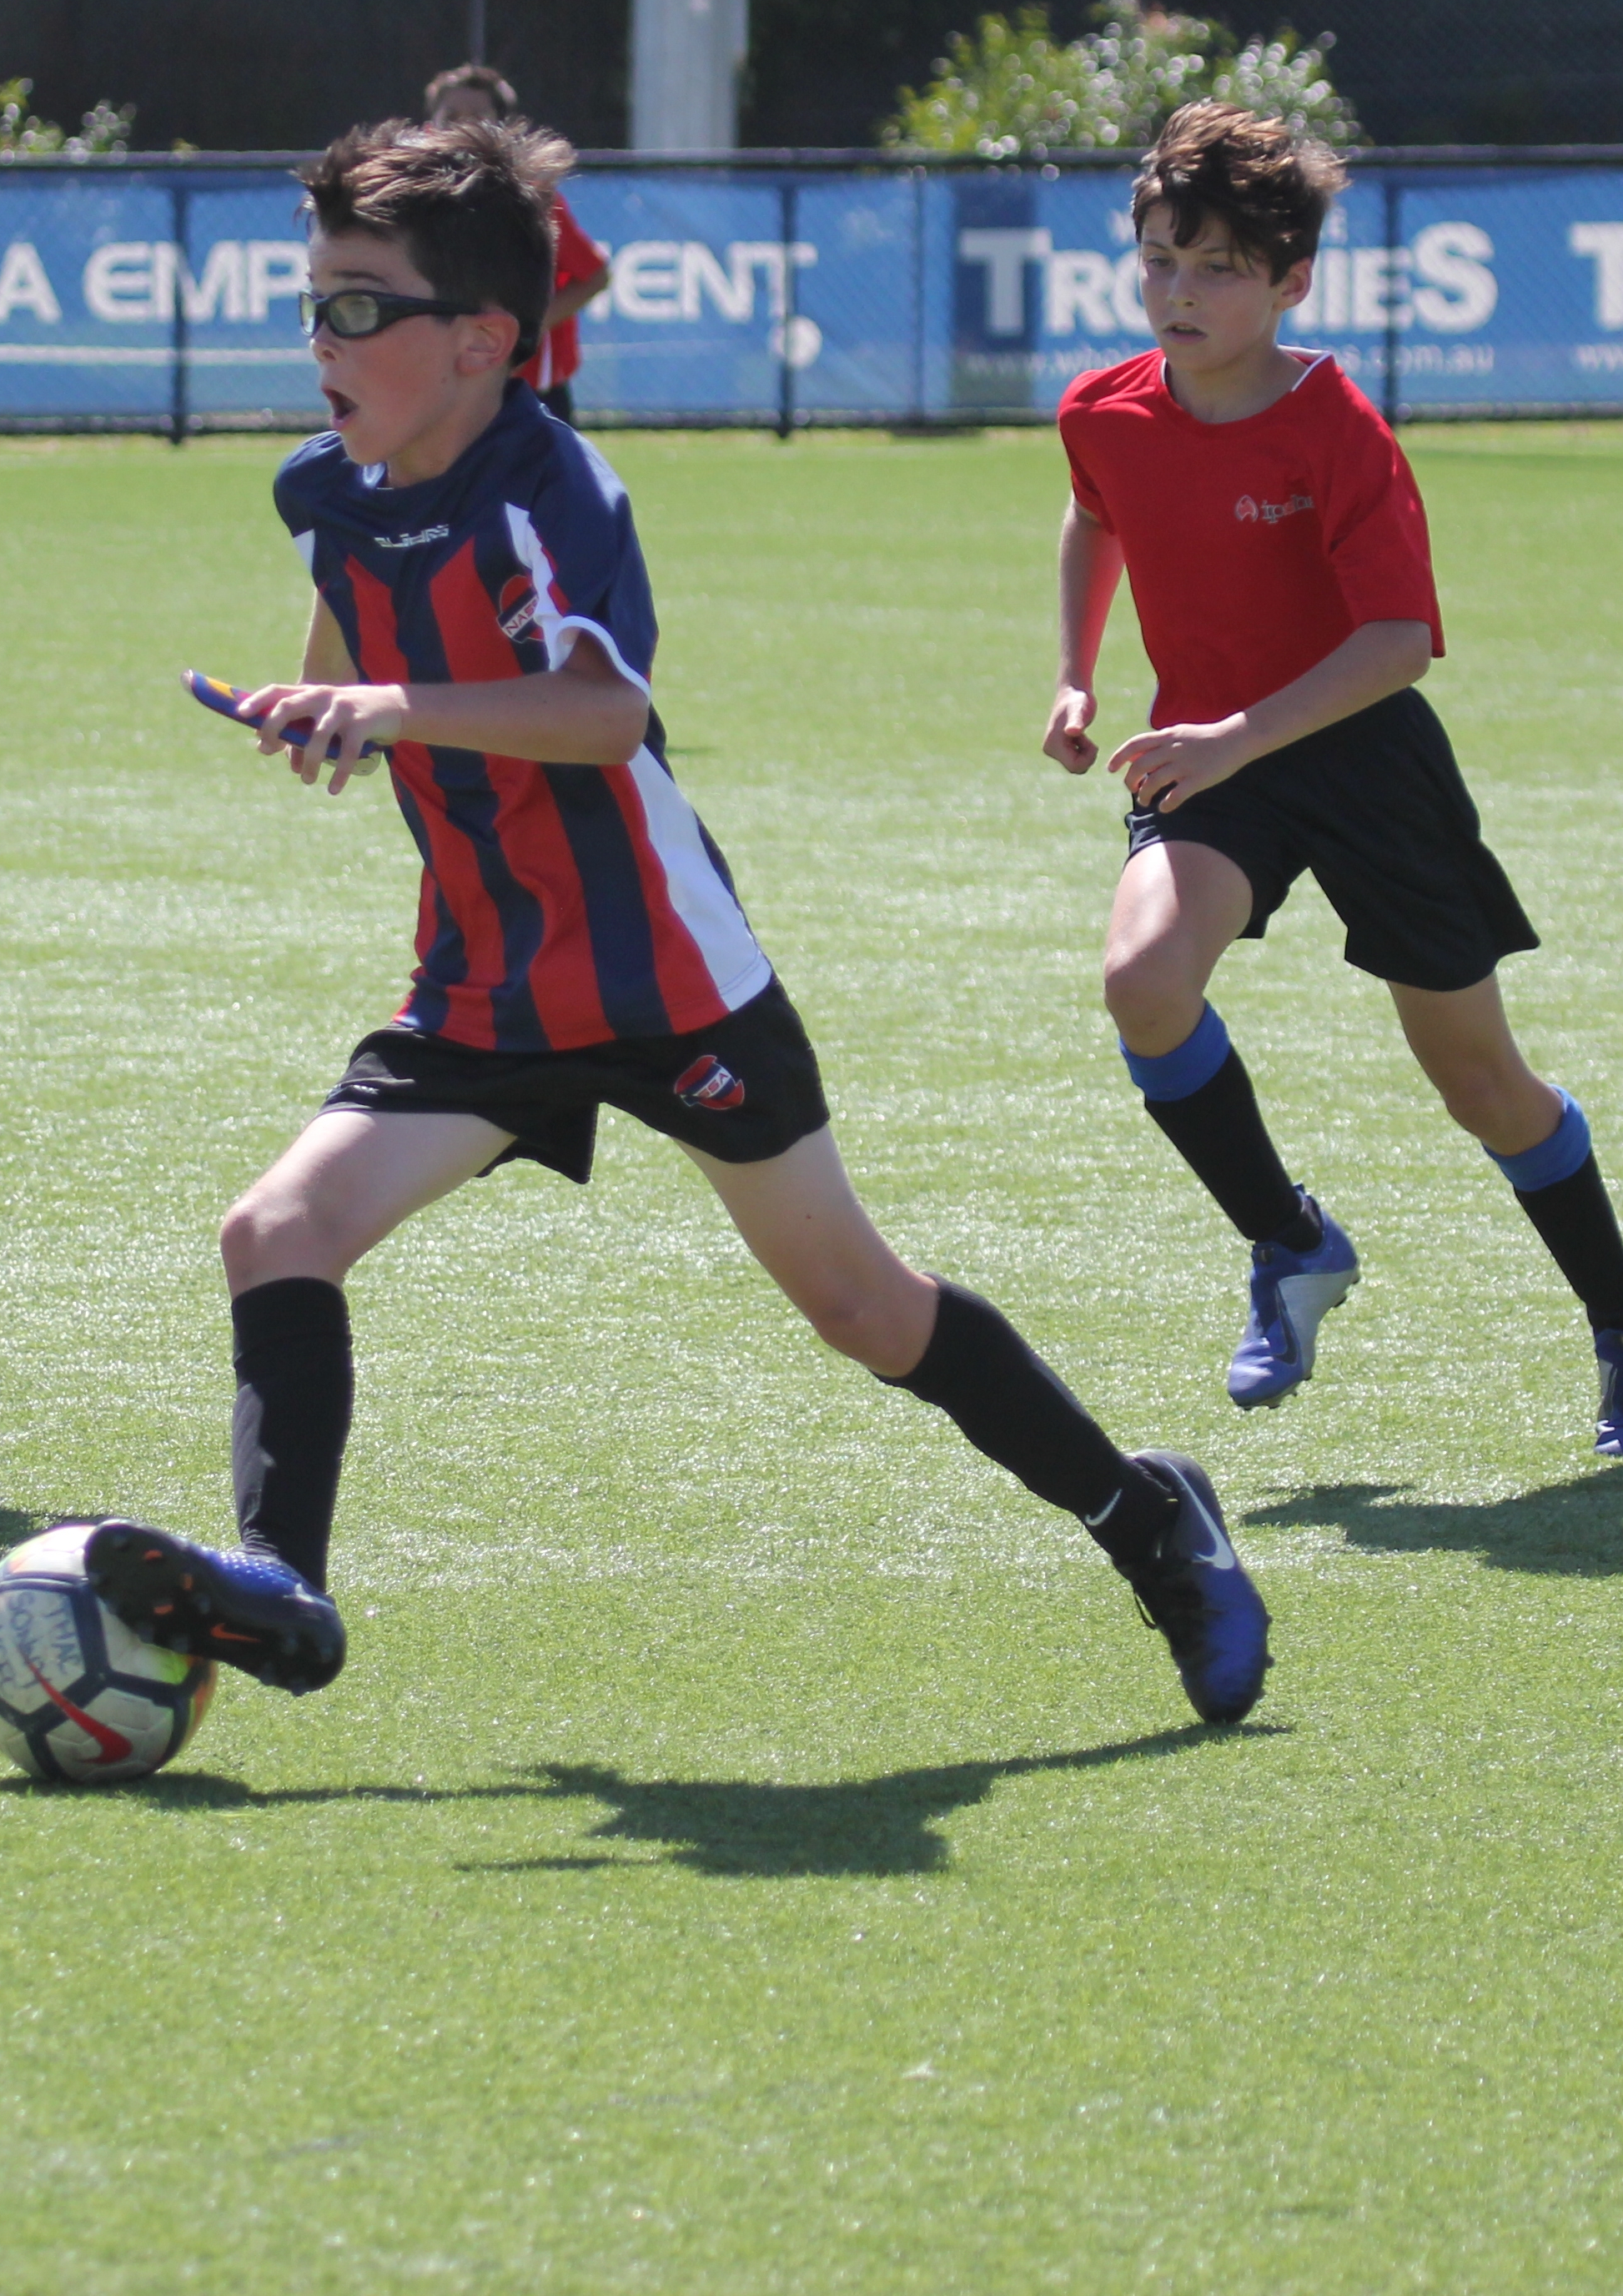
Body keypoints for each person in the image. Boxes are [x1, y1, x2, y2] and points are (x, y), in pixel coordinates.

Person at [79, 115, 1271, 1727]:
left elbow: (597, 715)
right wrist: (323, 706)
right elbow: (354, 636)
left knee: (860, 1308)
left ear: (484, 339)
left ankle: (1151, 1525)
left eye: (361, 309)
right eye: (312, 304)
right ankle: (282, 1585)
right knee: (273, 1234)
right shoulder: (324, 489)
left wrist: (388, 702)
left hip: (663, 975)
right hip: (485, 983)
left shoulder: (551, 487)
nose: (321, 340)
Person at [1044, 102, 1623, 1457]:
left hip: (1359, 757)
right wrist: (1074, 671)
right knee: (1139, 982)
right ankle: (1288, 1242)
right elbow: (1093, 513)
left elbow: (1398, 644)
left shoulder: (1333, 428)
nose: (1178, 290)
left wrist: (1228, 737)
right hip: (1212, 762)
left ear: (1289, 283)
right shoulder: (1100, 411)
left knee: (1476, 1081)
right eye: (1160, 257)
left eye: (1217, 266)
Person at [420, 64, 605, 422]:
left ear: (502, 130)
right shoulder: (416, 203)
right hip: (449, 384)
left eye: (478, 116)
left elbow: (596, 275)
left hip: (528, 390)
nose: (463, 126)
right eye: (451, 116)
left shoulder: (532, 200)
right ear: (430, 127)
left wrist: (526, 328)